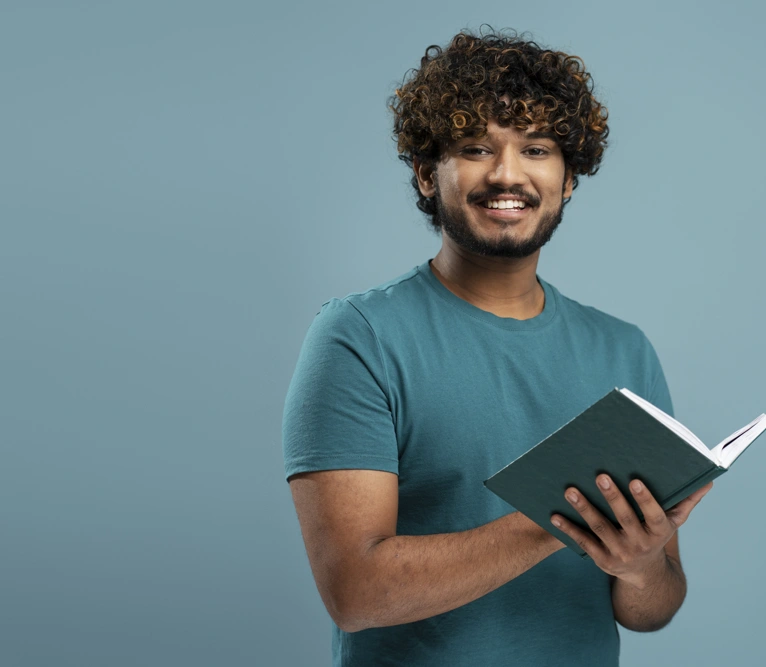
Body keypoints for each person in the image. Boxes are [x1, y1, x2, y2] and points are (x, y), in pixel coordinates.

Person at [282, 28, 713, 666]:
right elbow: (357, 592)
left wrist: (641, 564)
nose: (508, 174)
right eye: (476, 148)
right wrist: (566, 517)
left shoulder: (626, 351)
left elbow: (652, 610)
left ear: (568, 180)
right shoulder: (358, 337)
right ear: (427, 175)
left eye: (536, 149)